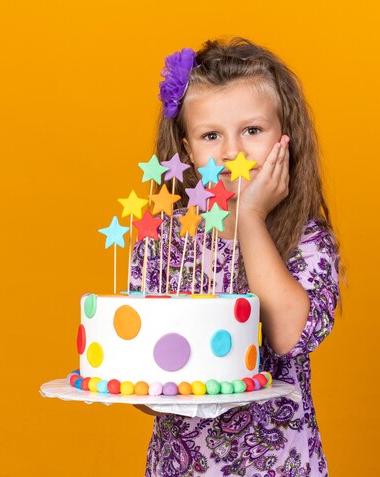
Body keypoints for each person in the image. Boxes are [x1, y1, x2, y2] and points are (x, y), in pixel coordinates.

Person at [131, 37, 342, 477]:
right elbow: (143, 378)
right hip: (180, 467)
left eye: (252, 130)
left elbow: (288, 336)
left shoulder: (307, 239)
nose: (233, 152)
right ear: (188, 150)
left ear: (285, 135)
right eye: (211, 135)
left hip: (281, 464)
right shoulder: (164, 240)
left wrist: (250, 217)